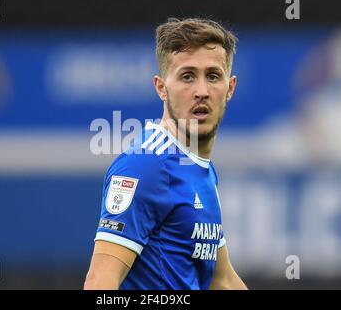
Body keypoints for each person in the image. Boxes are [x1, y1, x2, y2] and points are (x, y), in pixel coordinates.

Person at [84, 17, 247, 290]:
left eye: (213, 76)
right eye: (187, 76)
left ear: (229, 88)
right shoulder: (145, 165)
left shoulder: (200, 170)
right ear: (161, 87)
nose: (202, 91)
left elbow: (222, 279)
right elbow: (100, 281)